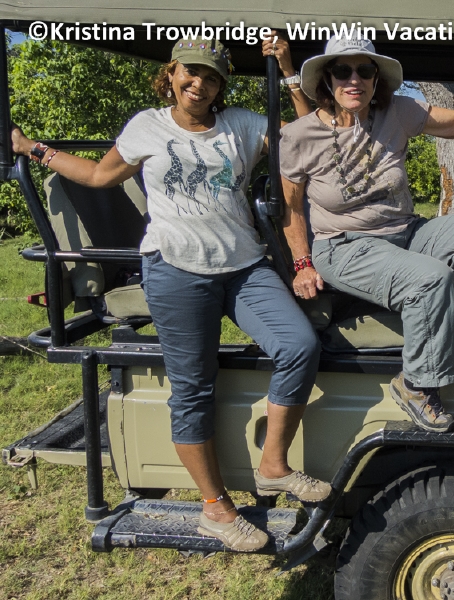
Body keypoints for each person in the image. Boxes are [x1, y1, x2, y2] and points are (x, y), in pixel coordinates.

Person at [11, 38, 330, 553]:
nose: (198, 84)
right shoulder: (147, 126)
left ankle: (273, 465)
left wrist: (288, 69)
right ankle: (215, 508)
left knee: (298, 345)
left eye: (211, 77)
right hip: (175, 270)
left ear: (221, 86)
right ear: (172, 74)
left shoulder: (241, 124)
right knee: (194, 389)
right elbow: (97, 175)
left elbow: (306, 133)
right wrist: (34, 149)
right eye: (190, 73)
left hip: (244, 267)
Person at [279, 37, 454, 433]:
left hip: (405, 231)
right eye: (343, 70)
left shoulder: (397, 111)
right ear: (327, 79)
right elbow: (291, 208)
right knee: (430, 280)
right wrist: (302, 263)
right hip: (345, 246)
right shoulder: (300, 134)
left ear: (376, 79)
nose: (354, 80)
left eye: (365, 70)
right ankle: (416, 384)